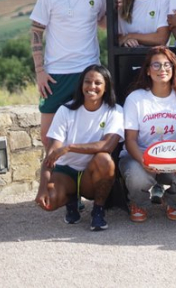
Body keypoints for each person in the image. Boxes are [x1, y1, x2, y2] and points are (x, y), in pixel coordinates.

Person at [30, 0, 106, 149]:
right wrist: (39, 71)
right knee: (48, 139)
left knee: (86, 135)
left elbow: (103, 23)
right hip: (56, 73)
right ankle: (51, 179)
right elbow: (36, 32)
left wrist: (119, 11)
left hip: (88, 71)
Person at [34, 64, 124, 232]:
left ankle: (98, 210)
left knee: (104, 159)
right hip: (66, 171)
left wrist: (70, 147)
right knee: (49, 202)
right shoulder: (65, 110)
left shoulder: (115, 111)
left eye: (98, 83)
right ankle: (71, 201)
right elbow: (51, 154)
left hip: (91, 175)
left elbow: (108, 145)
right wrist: (42, 189)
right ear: (81, 85)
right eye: (87, 82)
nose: (92, 87)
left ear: (106, 87)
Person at [120, 46, 176, 223]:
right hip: (139, 157)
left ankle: (174, 202)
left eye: (167, 65)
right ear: (147, 71)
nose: (162, 69)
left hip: (172, 159)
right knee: (137, 177)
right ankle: (138, 203)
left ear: (173, 68)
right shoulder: (136, 99)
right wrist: (144, 160)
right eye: (156, 65)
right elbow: (130, 140)